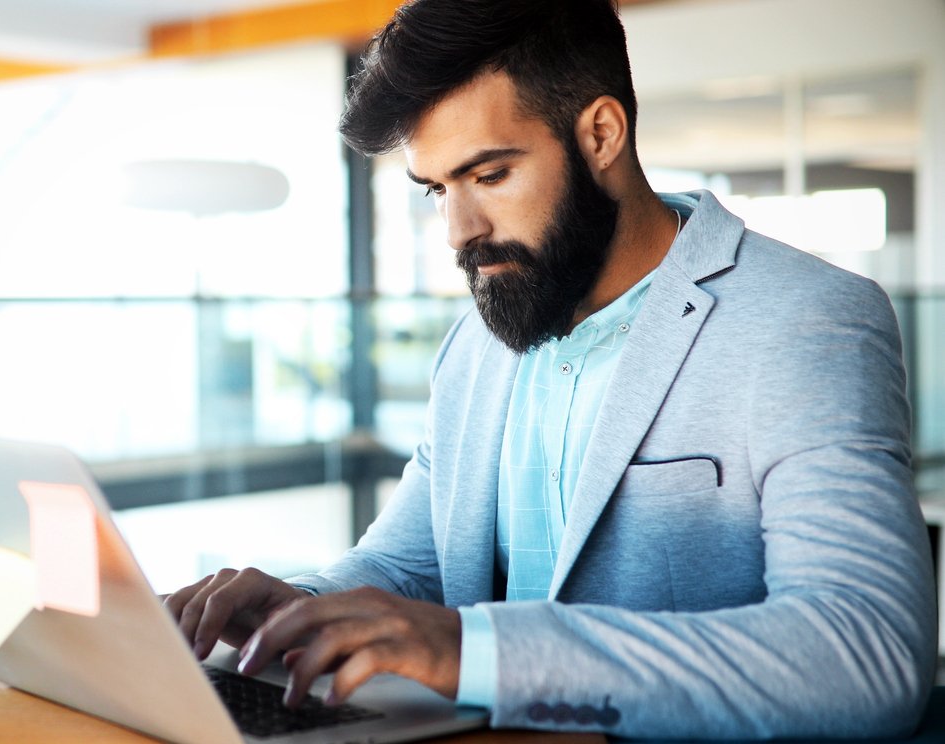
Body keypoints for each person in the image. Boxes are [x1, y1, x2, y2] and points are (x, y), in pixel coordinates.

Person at [163, 0, 936, 738]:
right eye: (437, 190)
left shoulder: (806, 318)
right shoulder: (476, 342)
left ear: (600, 134)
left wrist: (478, 654)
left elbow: (864, 653)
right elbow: (411, 562)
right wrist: (297, 605)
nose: (458, 233)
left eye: (489, 176)